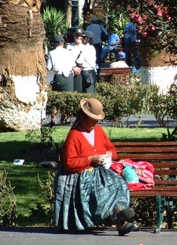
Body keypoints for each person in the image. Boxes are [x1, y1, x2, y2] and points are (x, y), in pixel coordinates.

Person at [54, 98, 138, 235]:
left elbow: (112, 149)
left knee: (118, 184)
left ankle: (119, 214)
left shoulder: (98, 131)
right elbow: (69, 163)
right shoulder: (74, 136)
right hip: (82, 175)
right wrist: (90, 159)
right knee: (102, 190)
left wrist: (110, 154)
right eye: (92, 120)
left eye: (97, 120)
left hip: (102, 172)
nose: (95, 123)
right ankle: (119, 218)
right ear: (82, 118)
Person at [67, 28, 85, 92]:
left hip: (81, 71)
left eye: (79, 36)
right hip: (71, 71)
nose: (77, 37)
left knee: (80, 91)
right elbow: (67, 59)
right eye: (76, 35)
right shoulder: (69, 47)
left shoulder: (85, 47)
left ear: (82, 37)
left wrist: (80, 68)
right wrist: (74, 68)